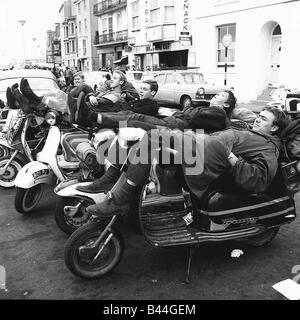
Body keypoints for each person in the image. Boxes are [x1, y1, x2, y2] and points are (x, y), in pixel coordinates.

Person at [85, 106, 290, 218]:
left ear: (274, 128)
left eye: (263, 119)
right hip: (201, 148)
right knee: (141, 140)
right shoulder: (249, 131)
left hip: (205, 160)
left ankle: (119, 199)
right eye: (259, 115)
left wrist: (231, 158)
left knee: (150, 136)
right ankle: (113, 185)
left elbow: (258, 181)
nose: (257, 119)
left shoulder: (268, 147)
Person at [88, 90, 237, 133]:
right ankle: (93, 115)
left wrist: (186, 108)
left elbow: (193, 116)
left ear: (226, 105)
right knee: (133, 117)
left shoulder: (219, 113)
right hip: (173, 124)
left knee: (134, 119)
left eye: (221, 96)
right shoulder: (213, 111)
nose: (217, 95)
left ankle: (93, 116)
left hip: (174, 128)